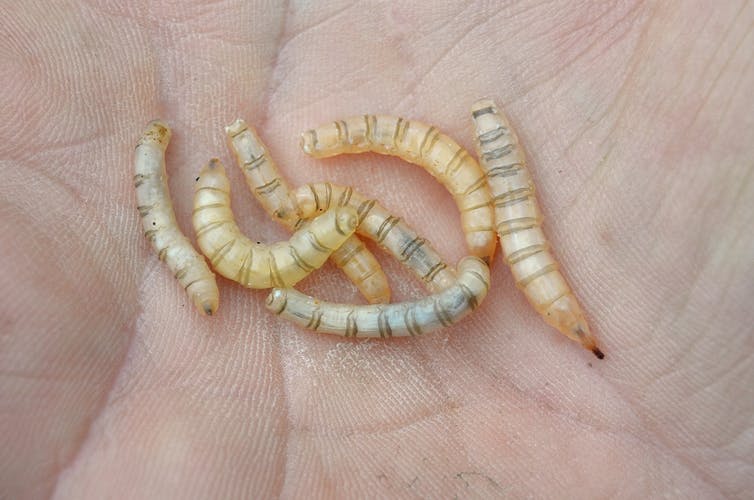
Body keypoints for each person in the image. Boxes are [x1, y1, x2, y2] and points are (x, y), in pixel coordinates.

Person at [1, 2, 751, 497]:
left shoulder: (454, 238)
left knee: (401, 249)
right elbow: (307, 228)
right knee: (353, 244)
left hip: (337, 254)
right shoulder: (298, 239)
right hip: (310, 255)